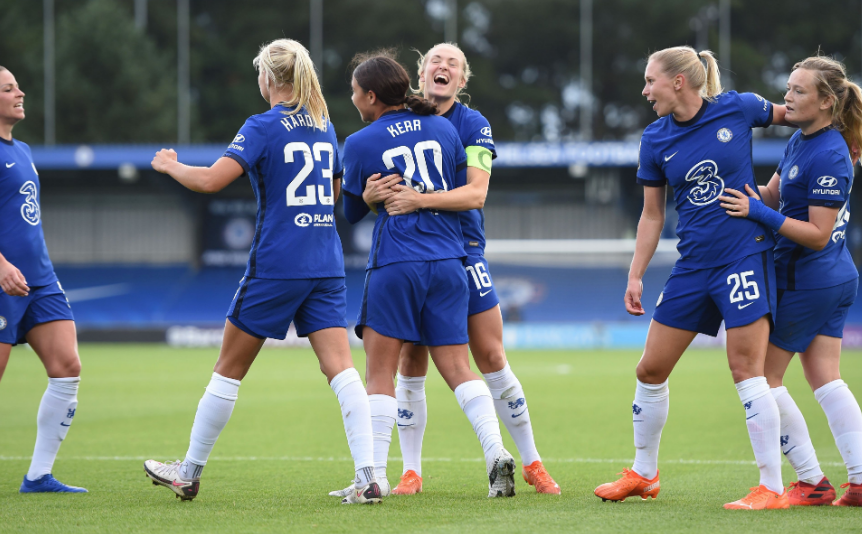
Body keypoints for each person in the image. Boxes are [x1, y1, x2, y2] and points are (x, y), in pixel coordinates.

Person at [143, 39, 381, 505]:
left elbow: (211, 180)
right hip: (326, 264)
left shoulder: (261, 126)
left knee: (228, 369)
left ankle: (188, 472)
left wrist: (171, 166)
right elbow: (332, 195)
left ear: (269, 78)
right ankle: (368, 476)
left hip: (277, 264)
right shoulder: (322, 126)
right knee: (342, 370)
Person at [593, 46, 793, 510]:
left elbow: (801, 121)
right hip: (692, 266)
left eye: (650, 81)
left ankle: (772, 486)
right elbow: (651, 215)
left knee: (747, 370)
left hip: (744, 256)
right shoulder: (654, 138)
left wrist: (788, 177)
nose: (645, 91)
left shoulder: (739, 108)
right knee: (650, 369)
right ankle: (644, 473)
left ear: (678, 82)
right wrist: (635, 275)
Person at [364, 42, 559, 495]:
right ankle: (411, 470)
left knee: (490, 356)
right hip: (412, 255)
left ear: (463, 80)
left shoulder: (473, 124)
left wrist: (419, 200)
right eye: (435, 60)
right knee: (412, 361)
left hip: (464, 252)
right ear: (420, 72)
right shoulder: (398, 121)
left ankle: (531, 462)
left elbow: (475, 194)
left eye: (453, 63)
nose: (443, 67)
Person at [332, 50, 516, 498]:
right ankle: (496, 454)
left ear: (371, 96)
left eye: (356, 92)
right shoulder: (443, 127)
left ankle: (371, 478)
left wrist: (371, 196)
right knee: (458, 366)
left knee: (380, 373)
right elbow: (458, 189)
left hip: (397, 262)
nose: (354, 99)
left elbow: (351, 212)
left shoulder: (358, 143)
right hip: (450, 262)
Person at [719, 55, 862, 507]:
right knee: (826, 379)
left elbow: (818, 235)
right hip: (827, 278)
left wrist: (758, 212)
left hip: (810, 278)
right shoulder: (804, 139)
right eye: (788, 88)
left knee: (762, 377)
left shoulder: (830, 153)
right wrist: (720, 185)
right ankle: (858, 483)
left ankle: (811, 482)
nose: (787, 97)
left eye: (799, 91)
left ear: (826, 102)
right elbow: (772, 194)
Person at [0, 66, 86, 494]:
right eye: (9, 88)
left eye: (17, 86)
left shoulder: (25, 149)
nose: (21, 92)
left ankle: (38, 476)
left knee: (67, 368)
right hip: (1, 280)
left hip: (40, 280)